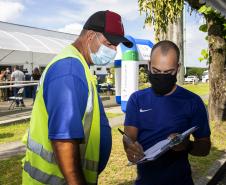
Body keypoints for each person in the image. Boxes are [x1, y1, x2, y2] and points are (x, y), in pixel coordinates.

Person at [22, 10, 133, 185]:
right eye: (109, 43)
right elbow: (63, 140)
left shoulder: (77, 64)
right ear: (90, 36)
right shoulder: (70, 70)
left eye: (116, 46)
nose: (113, 50)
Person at [123, 40, 211, 185]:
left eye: (168, 72)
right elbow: (128, 137)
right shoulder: (137, 99)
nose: (161, 77)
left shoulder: (192, 101)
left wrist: (187, 146)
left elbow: (205, 148)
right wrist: (130, 147)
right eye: (156, 71)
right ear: (149, 65)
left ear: (177, 68)